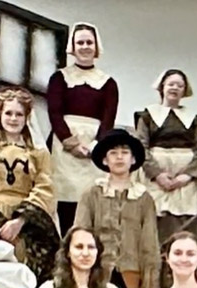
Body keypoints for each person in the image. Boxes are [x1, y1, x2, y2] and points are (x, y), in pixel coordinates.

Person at [74, 128, 161, 288]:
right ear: (105, 159)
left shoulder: (144, 199)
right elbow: (80, 234)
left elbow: (150, 243)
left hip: (130, 275)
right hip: (98, 274)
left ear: (133, 159)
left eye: (125, 152)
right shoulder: (92, 194)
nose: (119, 157)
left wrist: (149, 283)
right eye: (114, 153)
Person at [0, 85, 60, 284]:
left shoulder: (39, 153)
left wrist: (21, 220)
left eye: (19, 114)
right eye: (8, 113)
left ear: (26, 118)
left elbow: (45, 187)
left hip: (28, 223)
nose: (13, 119)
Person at [47, 22, 118, 234]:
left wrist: (96, 146)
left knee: (90, 202)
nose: (85, 47)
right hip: (64, 146)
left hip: (94, 148)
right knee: (63, 200)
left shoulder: (108, 83)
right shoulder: (60, 78)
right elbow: (54, 113)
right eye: (80, 43)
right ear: (73, 47)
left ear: (96, 47)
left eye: (89, 42)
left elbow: (108, 119)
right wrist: (72, 143)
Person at [134, 69, 197, 244]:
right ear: (162, 87)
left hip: (183, 181)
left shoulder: (193, 119)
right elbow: (141, 146)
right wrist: (157, 174)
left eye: (179, 85)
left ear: (184, 90)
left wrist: (187, 175)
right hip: (154, 178)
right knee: (153, 218)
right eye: (171, 84)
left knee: (181, 221)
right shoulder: (147, 116)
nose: (175, 88)